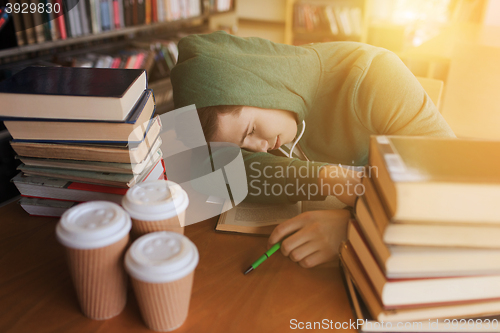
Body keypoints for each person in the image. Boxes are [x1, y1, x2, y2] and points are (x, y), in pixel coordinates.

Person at [170, 31, 455, 268]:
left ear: (259, 85)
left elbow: (454, 182)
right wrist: (324, 177)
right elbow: (214, 168)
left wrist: (354, 228)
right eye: (241, 145)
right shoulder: (273, 104)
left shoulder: (375, 75)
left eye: (252, 131)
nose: (257, 148)